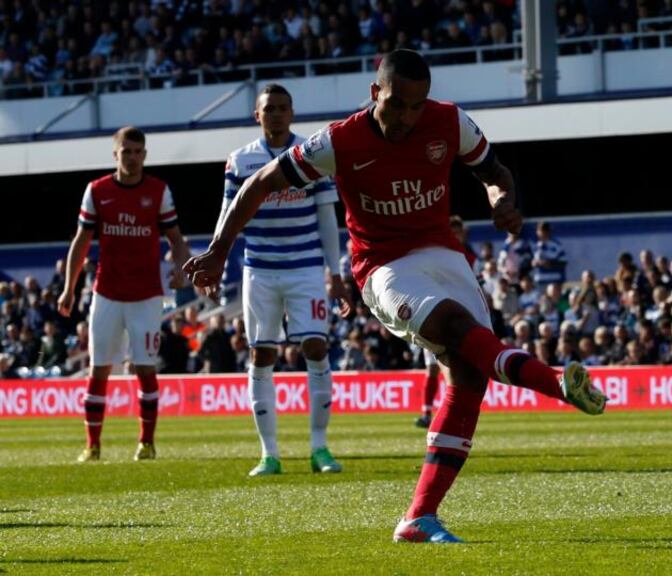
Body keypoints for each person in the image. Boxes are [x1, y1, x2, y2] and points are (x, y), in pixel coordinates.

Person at [184, 50, 607, 544]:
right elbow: (259, 183)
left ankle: (418, 518)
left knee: (470, 377)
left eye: (416, 106)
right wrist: (218, 252)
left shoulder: (450, 121)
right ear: (374, 94)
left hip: (444, 256)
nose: (407, 117)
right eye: (397, 105)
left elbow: (496, 174)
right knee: (451, 327)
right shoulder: (339, 141)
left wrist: (503, 204)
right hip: (382, 266)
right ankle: (556, 384)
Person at [218, 83, 344, 477]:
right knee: (262, 354)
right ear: (257, 115)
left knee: (316, 347)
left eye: (282, 107)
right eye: (268, 108)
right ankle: (269, 453)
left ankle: (319, 448)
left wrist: (335, 272)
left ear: (292, 113)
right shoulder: (240, 161)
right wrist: (216, 263)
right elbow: (228, 216)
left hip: (306, 269)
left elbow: (327, 217)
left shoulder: (312, 156)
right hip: (259, 270)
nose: (275, 113)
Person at [58, 126, 191, 463]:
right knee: (98, 369)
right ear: (115, 154)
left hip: (147, 296)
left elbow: (175, 237)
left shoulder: (158, 191)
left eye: (137, 152)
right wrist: (68, 289)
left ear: (144, 155)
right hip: (107, 294)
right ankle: (93, 446)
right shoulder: (97, 190)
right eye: (125, 152)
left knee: (145, 369)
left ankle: (146, 443)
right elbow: (81, 241)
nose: (131, 158)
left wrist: (181, 269)